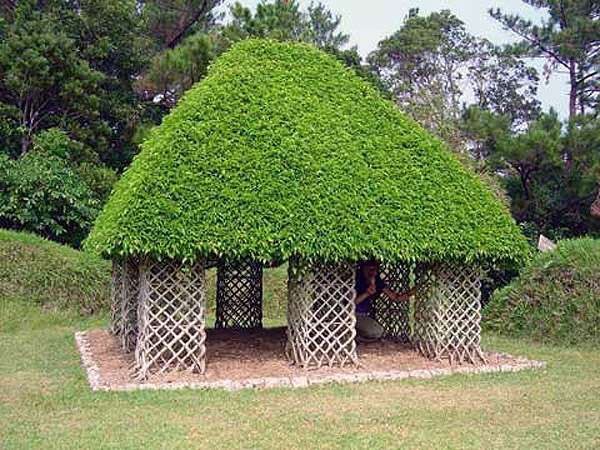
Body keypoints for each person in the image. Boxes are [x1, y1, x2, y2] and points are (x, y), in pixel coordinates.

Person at [354, 259, 414, 341]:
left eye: (375, 270)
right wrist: (367, 293)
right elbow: (350, 304)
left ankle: (356, 336)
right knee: (377, 331)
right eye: (370, 269)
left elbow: (396, 298)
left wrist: (411, 292)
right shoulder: (356, 279)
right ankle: (353, 336)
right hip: (353, 313)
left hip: (364, 314)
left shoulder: (377, 281)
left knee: (378, 332)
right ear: (363, 268)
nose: (372, 273)